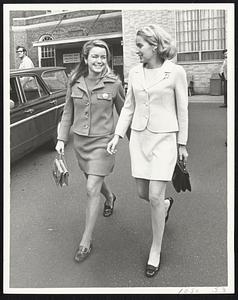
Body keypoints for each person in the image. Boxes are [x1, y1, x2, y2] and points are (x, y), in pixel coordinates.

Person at [107, 24, 189, 278]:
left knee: (153, 194)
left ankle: (156, 248)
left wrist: (182, 143)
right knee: (144, 193)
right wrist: (118, 134)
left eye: (140, 45)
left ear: (155, 46)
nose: (137, 50)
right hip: (139, 140)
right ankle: (164, 205)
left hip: (165, 139)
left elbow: (183, 109)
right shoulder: (134, 72)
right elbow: (129, 107)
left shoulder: (175, 72)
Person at [55, 39, 126, 262]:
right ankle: (111, 197)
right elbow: (67, 112)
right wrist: (60, 139)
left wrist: (136, 142)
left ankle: (86, 241)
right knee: (94, 183)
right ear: (85, 59)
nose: (99, 60)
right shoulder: (74, 82)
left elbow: (125, 115)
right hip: (81, 144)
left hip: (103, 144)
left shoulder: (114, 83)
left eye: (103, 57)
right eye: (94, 56)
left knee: (90, 187)